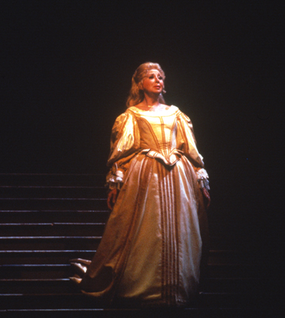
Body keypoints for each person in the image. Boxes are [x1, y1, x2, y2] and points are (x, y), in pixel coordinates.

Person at [70, 62, 210, 308]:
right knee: (148, 232)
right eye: (152, 77)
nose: (158, 81)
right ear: (140, 83)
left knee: (179, 231)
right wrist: (115, 181)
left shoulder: (176, 113)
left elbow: (191, 150)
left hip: (178, 177)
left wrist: (201, 178)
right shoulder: (132, 115)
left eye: (161, 77)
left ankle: (176, 288)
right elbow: (121, 153)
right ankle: (142, 286)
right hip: (146, 177)